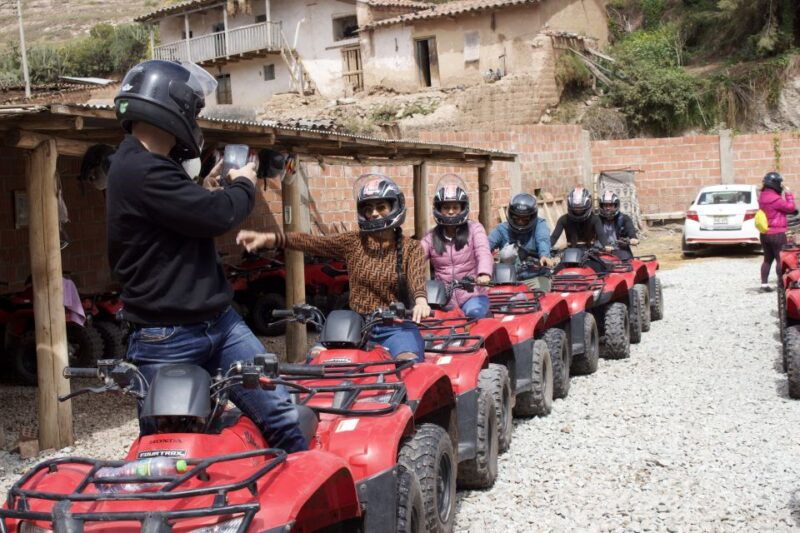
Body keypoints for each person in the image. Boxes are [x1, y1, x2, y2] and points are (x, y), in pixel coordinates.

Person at [106, 60, 306, 453]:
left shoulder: (147, 165)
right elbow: (218, 216)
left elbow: (182, 215)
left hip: (218, 324)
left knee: (281, 414)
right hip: (169, 337)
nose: (195, 119)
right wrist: (245, 185)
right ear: (174, 108)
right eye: (194, 110)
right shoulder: (143, 169)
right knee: (172, 449)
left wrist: (203, 189)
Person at [237, 174, 431, 362]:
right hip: (357, 323)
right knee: (319, 360)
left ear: (394, 207)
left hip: (396, 326)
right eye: (368, 208)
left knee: (408, 362)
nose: (373, 213)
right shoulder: (353, 242)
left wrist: (421, 301)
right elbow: (311, 242)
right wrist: (270, 238)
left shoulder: (411, 248)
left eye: (381, 207)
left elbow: (415, 278)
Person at [420, 174, 494, 318]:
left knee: (475, 315)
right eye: (446, 207)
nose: (451, 211)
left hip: (472, 295)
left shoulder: (475, 229)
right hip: (442, 298)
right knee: (426, 325)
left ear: (463, 208)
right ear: (439, 209)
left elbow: (483, 251)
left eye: (455, 207)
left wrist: (484, 273)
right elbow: (415, 257)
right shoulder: (431, 236)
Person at [488, 193, 554, 291]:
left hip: (535, 277)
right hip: (506, 280)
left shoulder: (540, 225)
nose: (520, 222)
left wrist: (544, 256)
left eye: (524, 219)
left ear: (532, 217)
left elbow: (543, 240)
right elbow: (484, 246)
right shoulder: (502, 229)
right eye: (516, 218)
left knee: (541, 299)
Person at [758, 171, 796, 292]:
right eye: (780, 183)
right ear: (775, 184)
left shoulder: (762, 197)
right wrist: (788, 193)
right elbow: (791, 208)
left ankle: (764, 284)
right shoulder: (776, 199)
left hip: (764, 233)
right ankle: (781, 284)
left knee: (767, 259)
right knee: (780, 259)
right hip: (777, 233)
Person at [550, 186, 610, 250]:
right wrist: (545, 250)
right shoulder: (563, 219)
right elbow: (554, 237)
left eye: (581, 209)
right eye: (575, 209)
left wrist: (606, 246)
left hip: (590, 253)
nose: (578, 211)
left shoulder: (595, 219)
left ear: (587, 206)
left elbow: (601, 235)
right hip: (570, 253)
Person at [598, 190, 639, 260]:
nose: (608, 208)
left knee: (627, 262)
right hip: (600, 251)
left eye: (611, 205)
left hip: (619, 250)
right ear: (602, 206)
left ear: (616, 205)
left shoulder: (624, 218)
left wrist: (633, 238)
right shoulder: (597, 219)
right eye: (605, 205)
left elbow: (630, 229)